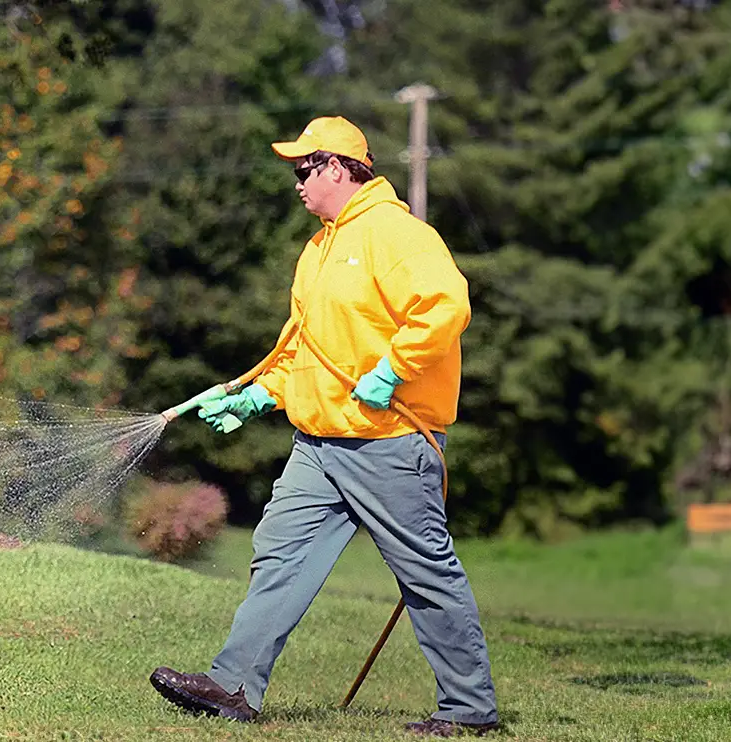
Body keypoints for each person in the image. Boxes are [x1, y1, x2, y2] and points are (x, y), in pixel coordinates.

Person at [148, 116, 499, 738]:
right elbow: (308, 351)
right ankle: (234, 687)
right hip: (318, 446)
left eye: (303, 170)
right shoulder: (319, 248)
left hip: (390, 442)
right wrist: (258, 398)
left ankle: (469, 710)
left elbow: (447, 305)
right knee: (278, 555)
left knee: (425, 574)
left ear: (338, 167)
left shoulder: (397, 234)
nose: (297, 183)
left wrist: (393, 370)